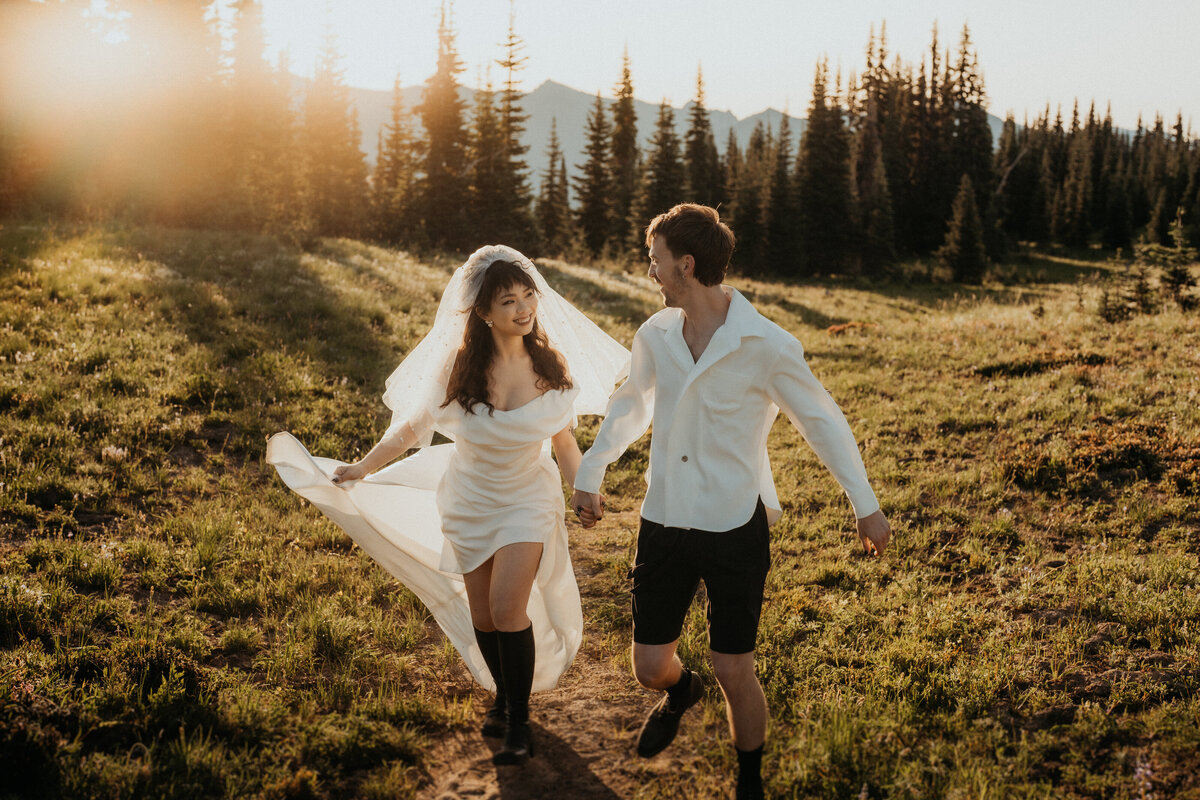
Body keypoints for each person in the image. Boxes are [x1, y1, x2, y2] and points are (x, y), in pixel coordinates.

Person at [569, 204, 891, 800]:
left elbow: (821, 420)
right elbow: (631, 405)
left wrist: (864, 502)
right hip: (663, 518)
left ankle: (749, 782)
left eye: (655, 262)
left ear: (685, 265)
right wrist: (591, 469)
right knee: (647, 667)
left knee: (733, 667)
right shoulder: (656, 335)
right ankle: (678, 690)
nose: (652, 274)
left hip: (734, 524)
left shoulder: (766, 343)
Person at [268, 245, 629, 766]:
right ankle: (504, 698)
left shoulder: (550, 368)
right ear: (482, 312)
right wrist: (361, 469)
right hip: (469, 499)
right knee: (483, 614)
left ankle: (520, 723)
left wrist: (583, 489)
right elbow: (411, 429)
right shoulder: (459, 369)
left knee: (509, 608)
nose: (524, 308)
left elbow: (565, 446)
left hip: (528, 498)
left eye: (528, 295)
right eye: (508, 300)